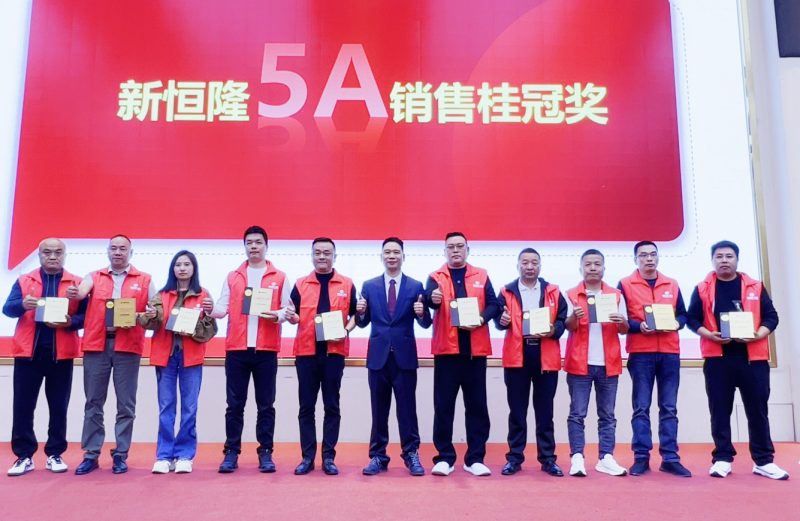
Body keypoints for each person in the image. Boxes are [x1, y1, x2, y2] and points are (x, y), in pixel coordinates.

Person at [686, 240, 788, 480]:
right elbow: (691, 318)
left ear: (737, 259)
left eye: (729, 256)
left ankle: (763, 461)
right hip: (718, 360)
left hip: (753, 360)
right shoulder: (702, 288)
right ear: (713, 260)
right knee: (720, 411)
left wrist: (757, 335)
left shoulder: (755, 287)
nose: (724, 260)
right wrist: (708, 334)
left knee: (758, 411)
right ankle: (722, 458)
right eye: (719, 256)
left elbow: (771, 317)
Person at [67, 235, 156, 475]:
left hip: (128, 346)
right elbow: (81, 292)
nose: (117, 252)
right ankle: (91, 454)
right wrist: (75, 292)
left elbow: (155, 313)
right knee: (93, 402)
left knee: (126, 404)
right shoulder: (93, 276)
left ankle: (120, 454)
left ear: (131, 252)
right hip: (97, 345)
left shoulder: (145, 279)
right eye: (113, 248)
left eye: (122, 249)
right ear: (107, 251)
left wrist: (144, 315)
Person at [210, 226, 291, 473]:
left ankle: (265, 452)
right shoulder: (233, 276)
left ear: (266, 245)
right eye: (249, 242)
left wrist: (277, 315)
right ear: (244, 246)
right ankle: (231, 452)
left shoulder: (280, 277)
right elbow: (222, 308)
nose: (253, 246)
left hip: (266, 349)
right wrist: (209, 309)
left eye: (258, 242)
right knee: (234, 405)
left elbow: (288, 309)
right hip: (237, 349)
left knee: (266, 405)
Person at [3, 238, 87, 476]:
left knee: (59, 407)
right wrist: (23, 304)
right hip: (28, 355)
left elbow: (86, 317)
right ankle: (23, 456)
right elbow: (7, 309)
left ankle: (55, 454)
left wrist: (70, 322)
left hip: (61, 356)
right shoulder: (24, 280)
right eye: (47, 252)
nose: (52, 256)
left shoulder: (77, 284)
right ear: (39, 255)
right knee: (23, 407)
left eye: (58, 252)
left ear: (64, 256)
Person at [425, 232, 501, 477]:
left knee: (477, 407)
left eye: (460, 246)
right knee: (443, 407)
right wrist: (432, 298)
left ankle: (475, 458)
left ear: (468, 249)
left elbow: (494, 305)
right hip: (446, 353)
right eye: (451, 247)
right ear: (445, 251)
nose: (455, 250)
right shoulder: (435, 277)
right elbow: (428, 302)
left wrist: (480, 319)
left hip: (475, 353)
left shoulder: (482, 275)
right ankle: (444, 458)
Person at [355, 237, 431, 476]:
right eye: (387, 252)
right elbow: (362, 322)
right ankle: (378, 456)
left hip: (404, 357)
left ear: (403, 256)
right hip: (378, 358)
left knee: (407, 409)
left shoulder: (416, 286)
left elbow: (426, 322)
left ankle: (411, 454)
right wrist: (360, 313)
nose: (391, 256)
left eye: (396, 252)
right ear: (381, 256)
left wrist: (422, 313)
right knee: (379, 410)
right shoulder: (369, 285)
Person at [617, 241, 691, 477]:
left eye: (652, 254)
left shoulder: (672, 284)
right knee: (641, 407)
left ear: (658, 257)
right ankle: (641, 457)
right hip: (641, 353)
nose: (649, 259)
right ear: (635, 259)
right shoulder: (625, 285)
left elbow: (683, 314)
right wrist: (638, 327)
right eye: (643, 255)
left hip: (669, 352)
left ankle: (670, 458)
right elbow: (620, 320)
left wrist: (677, 323)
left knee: (669, 407)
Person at [140, 250, 217, 474]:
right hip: (165, 357)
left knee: (189, 408)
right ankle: (164, 456)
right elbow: (149, 321)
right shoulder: (161, 295)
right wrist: (151, 316)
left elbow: (210, 330)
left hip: (191, 357)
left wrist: (194, 326)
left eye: (187, 264)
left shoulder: (203, 295)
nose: (182, 268)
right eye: (178, 265)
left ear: (194, 269)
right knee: (166, 407)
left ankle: (184, 455)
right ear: (172, 269)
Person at [287, 238, 357, 475]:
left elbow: (356, 315)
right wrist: (292, 317)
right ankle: (307, 458)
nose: (322, 257)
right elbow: (294, 315)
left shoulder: (347, 284)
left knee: (332, 406)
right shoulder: (300, 284)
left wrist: (346, 330)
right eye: (317, 253)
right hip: (306, 354)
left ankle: (329, 457)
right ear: (312, 256)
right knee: (306, 407)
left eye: (327, 253)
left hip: (334, 354)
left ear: (335, 256)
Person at [495, 248, 567, 477]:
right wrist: (502, 320)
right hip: (517, 356)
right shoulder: (506, 291)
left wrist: (553, 329)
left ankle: (548, 459)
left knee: (545, 412)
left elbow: (563, 321)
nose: (529, 266)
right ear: (518, 265)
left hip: (545, 355)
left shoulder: (554, 291)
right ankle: (514, 458)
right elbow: (498, 320)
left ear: (540, 266)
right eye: (525, 262)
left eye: (534, 262)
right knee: (517, 412)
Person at [564, 249, 629, 477]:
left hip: (608, 363)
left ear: (603, 268)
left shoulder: (616, 295)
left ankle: (606, 458)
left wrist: (622, 321)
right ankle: (577, 457)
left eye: (597, 264)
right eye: (588, 264)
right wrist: (575, 316)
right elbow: (568, 326)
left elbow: (624, 329)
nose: (593, 268)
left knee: (607, 415)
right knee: (577, 414)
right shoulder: (571, 294)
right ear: (581, 268)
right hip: (579, 363)